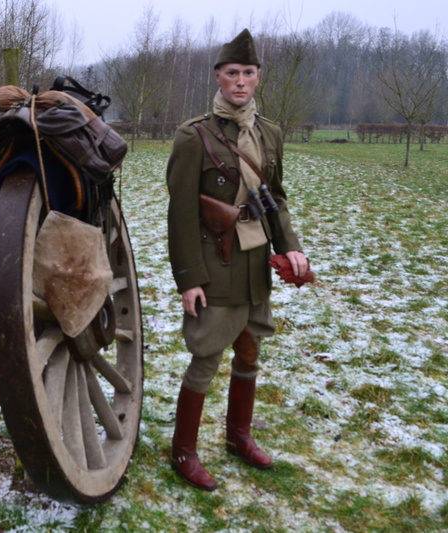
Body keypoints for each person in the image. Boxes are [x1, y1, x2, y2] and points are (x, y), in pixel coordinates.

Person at [166, 28, 311, 491]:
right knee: (207, 357)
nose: (241, 81)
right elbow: (181, 212)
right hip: (215, 263)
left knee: (249, 351)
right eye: (233, 73)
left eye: (249, 73)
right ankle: (184, 451)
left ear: (258, 78)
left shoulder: (270, 133)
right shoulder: (194, 136)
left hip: (256, 264)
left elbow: (277, 198)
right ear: (219, 77)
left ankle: (238, 437)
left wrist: (291, 246)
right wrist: (189, 278)